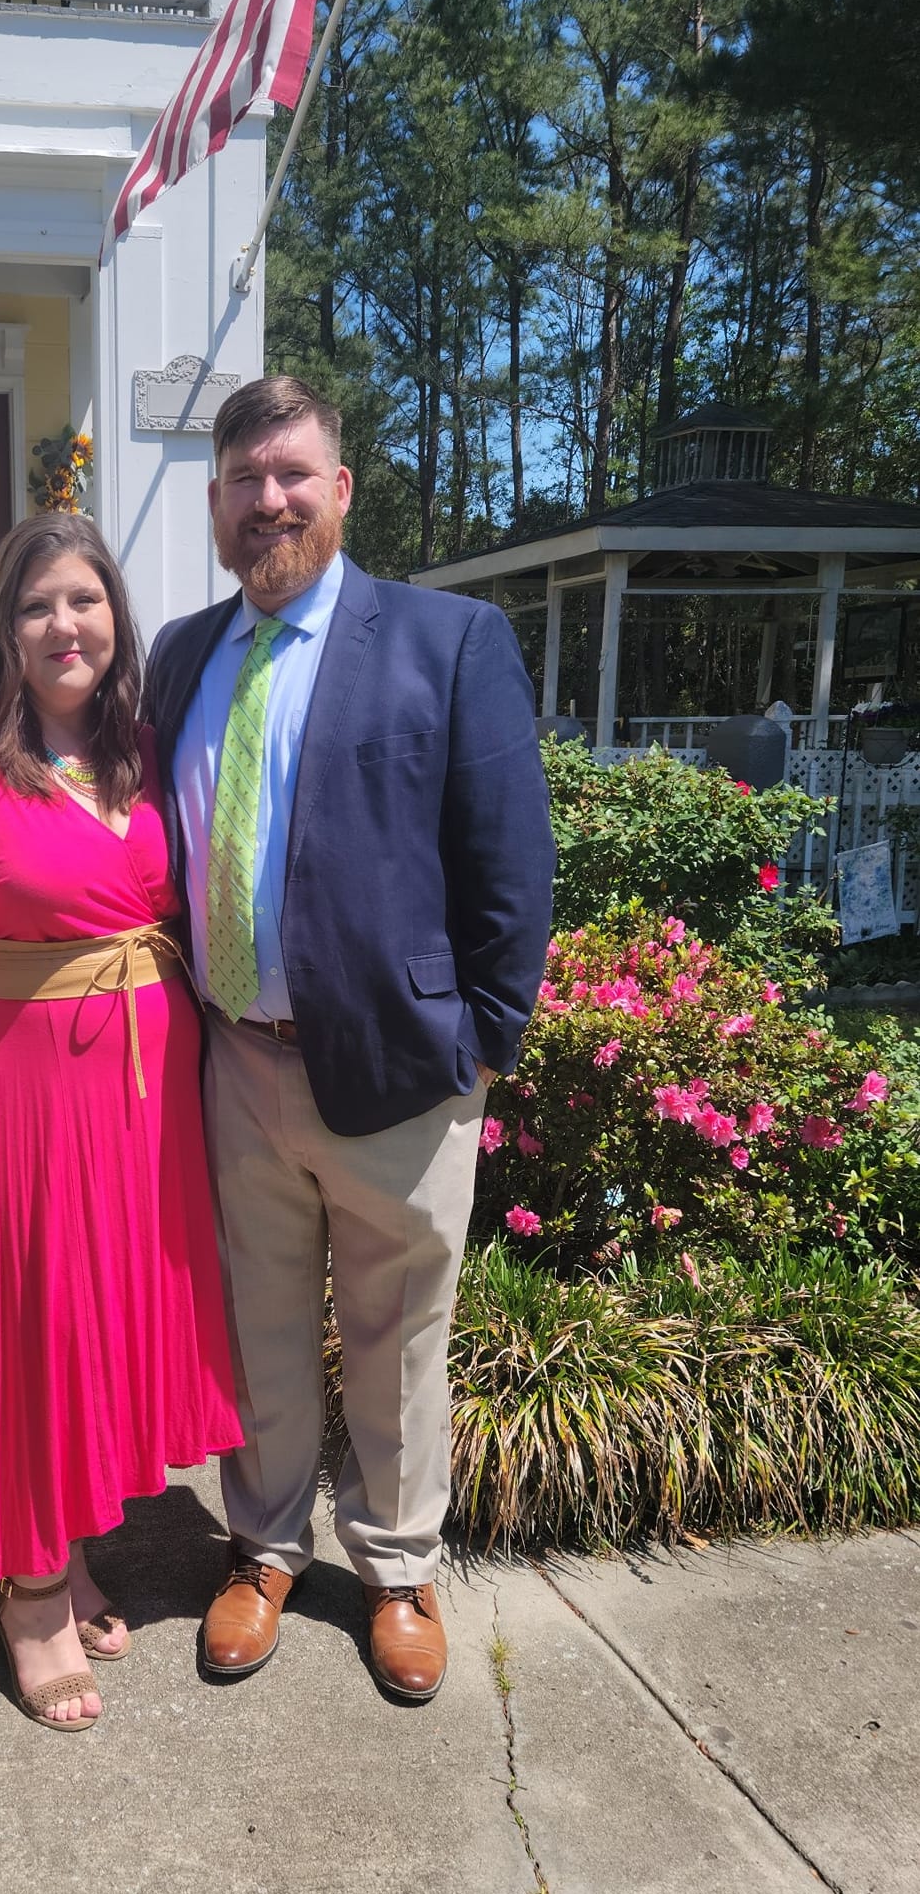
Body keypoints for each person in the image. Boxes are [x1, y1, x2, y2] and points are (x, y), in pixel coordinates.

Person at [144, 376, 555, 1702]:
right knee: (257, 1330)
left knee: (395, 1339)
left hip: (394, 1078)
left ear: (339, 488)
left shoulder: (446, 641)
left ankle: (394, 1569)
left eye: (291, 473)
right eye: (243, 479)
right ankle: (260, 1548)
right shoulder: (178, 655)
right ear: (214, 504)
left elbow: (507, 872)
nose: (267, 499)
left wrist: (481, 1049)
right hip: (232, 1065)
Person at [0, 512, 242, 1733]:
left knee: (91, 1325)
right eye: (37, 605)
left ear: (114, 619)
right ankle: (28, 1595)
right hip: (18, 1092)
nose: (63, 624)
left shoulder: (135, 750)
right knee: (26, 1323)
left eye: (84, 599)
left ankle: (68, 1545)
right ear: (3, 627)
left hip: (136, 1103)